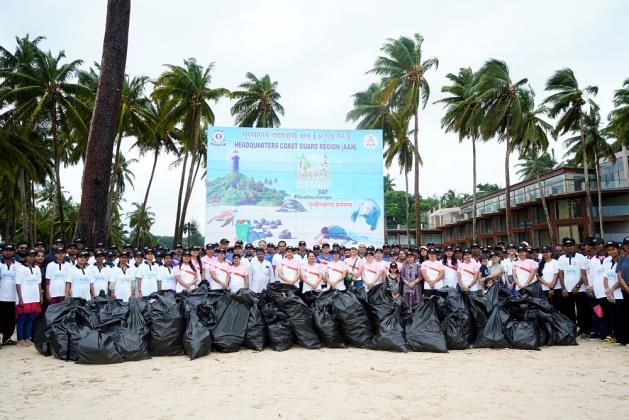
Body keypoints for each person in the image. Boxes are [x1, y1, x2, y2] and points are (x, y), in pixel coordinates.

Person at [557, 237, 589, 333]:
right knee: (568, 311)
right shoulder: (561, 258)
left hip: (580, 289)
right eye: (566, 246)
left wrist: (578, 286)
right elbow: (561, 274)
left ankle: (584, 330)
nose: (568, 248)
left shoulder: (581, 257)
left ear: (574, 246)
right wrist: (563, 288)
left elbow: (584, 273)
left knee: (582, 311)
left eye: (570, 245)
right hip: (567, 290)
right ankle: (572, 329)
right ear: (564, 247)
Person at [15, 250, 42, 347]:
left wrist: (40, 296)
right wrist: (20, 299)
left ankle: (27, 337)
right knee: (21, 318)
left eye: (33, 256)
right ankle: (20, 339)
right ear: (25, 257)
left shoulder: (37, 268)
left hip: (34, 297)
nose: (31, 258)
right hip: (24, 298)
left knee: (30, 318)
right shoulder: (20, 268)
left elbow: (39, 283)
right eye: (29, 256)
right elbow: (17, 284)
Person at [602, 241, 624, 343]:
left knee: (621, 316)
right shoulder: (607, 261)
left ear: (618, 249)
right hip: (611, 295)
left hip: (620, 294)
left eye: (613, 249)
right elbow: (605, 278)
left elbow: (622, 279)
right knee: (613, 316)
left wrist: (612, 290)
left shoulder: (623, 261)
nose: (611, 252)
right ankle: (615, 336)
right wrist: (608, 291)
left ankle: (622, 337)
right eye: (609, 250)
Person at [0, 244, 19, 345]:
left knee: (11, 320)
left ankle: (7, 338)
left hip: (13, 298)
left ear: (14, 252)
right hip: (1, 298)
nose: (8, 252)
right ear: (2, 252)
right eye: (6, 250)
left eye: (10, 250)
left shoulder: (18, 265)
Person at [615, 236, 629, 346]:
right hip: (625, 291)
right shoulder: (622, 259)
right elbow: (619, 275)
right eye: (626, 244)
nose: (628, 246)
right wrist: (627, 288)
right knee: (625, 315)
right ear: (623, 246)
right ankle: (626, 339)